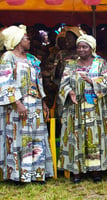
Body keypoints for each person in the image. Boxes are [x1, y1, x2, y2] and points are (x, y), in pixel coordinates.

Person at [57, 34, 107, 183]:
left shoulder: (101, 63)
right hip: (75, 109)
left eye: (84, 47)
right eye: (79, 47)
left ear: (91, 48)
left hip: (96, 109)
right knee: (76, 136)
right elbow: (63, 82)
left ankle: (95, 170)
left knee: (94, 137)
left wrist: (92, 81)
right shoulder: (71, 64)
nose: (81, 50)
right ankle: (77, 170)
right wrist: (70, 92)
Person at [0, 25, 53, 183]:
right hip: (17, 106)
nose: (29, 39)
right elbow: (5, 81)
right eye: (26, 37)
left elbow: (38, 82)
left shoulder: (32, 59)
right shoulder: (8, 57)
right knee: (17, 137)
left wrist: (43, 102)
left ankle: (36, 173)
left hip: (35, 104)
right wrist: (18, 103)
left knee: (36, 137)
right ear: (16, 40)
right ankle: (17, 174)